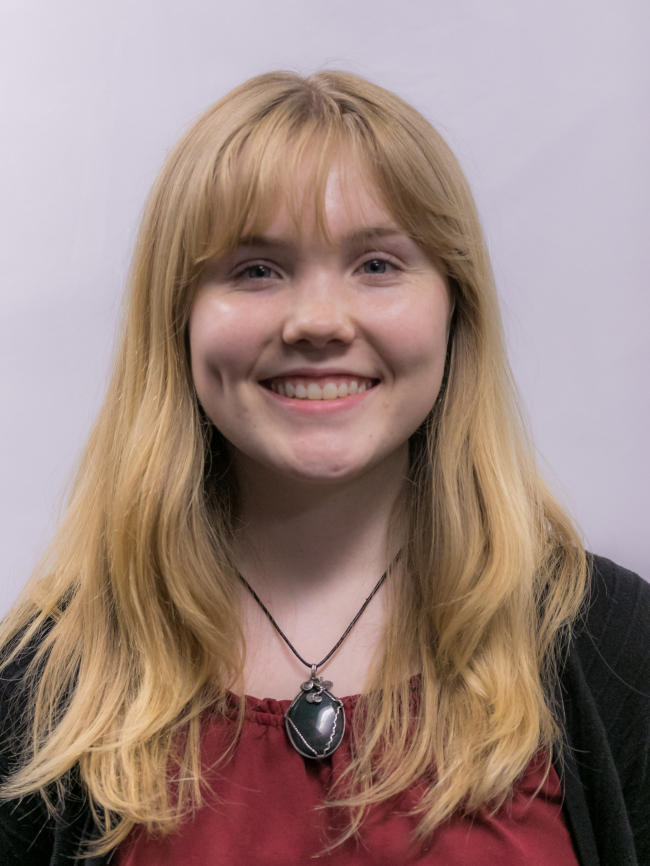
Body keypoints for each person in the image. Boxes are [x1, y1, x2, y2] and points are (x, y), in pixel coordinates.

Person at [0, 70, 648, 866]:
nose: (316, 323)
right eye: (256, 269)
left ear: (456, 306)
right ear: (178, 320)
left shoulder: (614, 646)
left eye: (377, 264)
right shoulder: (43, 685)